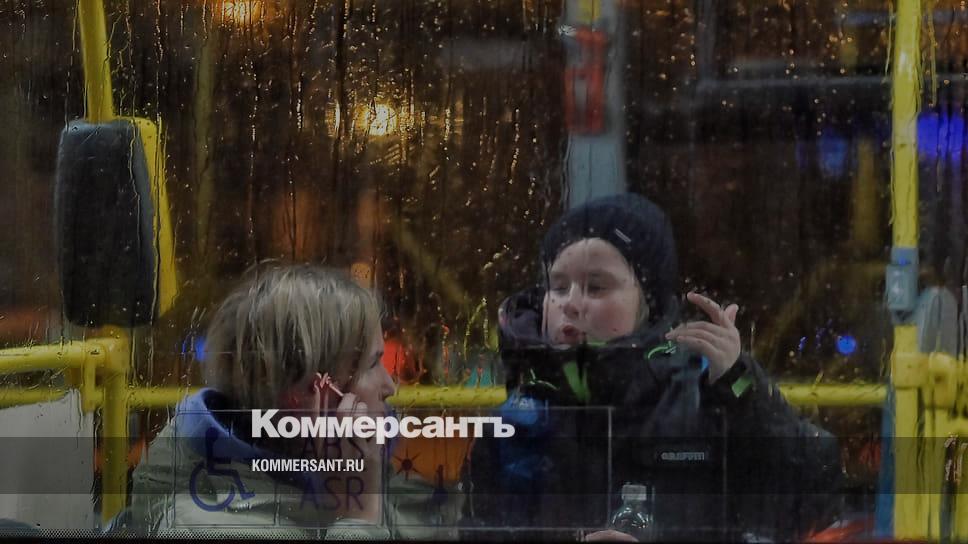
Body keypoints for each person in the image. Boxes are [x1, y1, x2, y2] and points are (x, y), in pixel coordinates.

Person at [464, 193, 842, 541]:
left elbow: (808, 501)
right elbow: (480, 530)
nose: (571, 304)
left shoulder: (703, 395)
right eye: (558, 287)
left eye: (596, 287)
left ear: (648, 303)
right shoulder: (520, 417)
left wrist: (742, 386)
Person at [128, 263, 397, 538]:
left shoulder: (326, 467)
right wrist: (360, 517)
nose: (390, 387)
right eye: (372, 364)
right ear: (301, 392)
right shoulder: (206, 524)